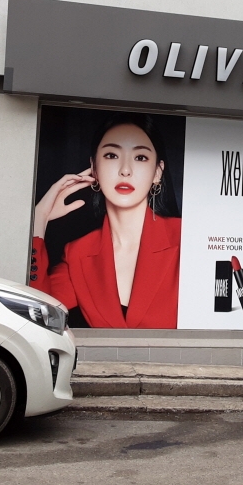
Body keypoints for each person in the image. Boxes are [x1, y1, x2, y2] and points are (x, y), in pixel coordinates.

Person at [31, 113, 181, 328]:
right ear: (94, 168)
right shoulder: (78, 253)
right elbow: (39, 316)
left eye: (140, 157)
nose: (125, 170)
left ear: (157, 172)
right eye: (111, 155)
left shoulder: (186, 238)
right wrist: (39, 219)